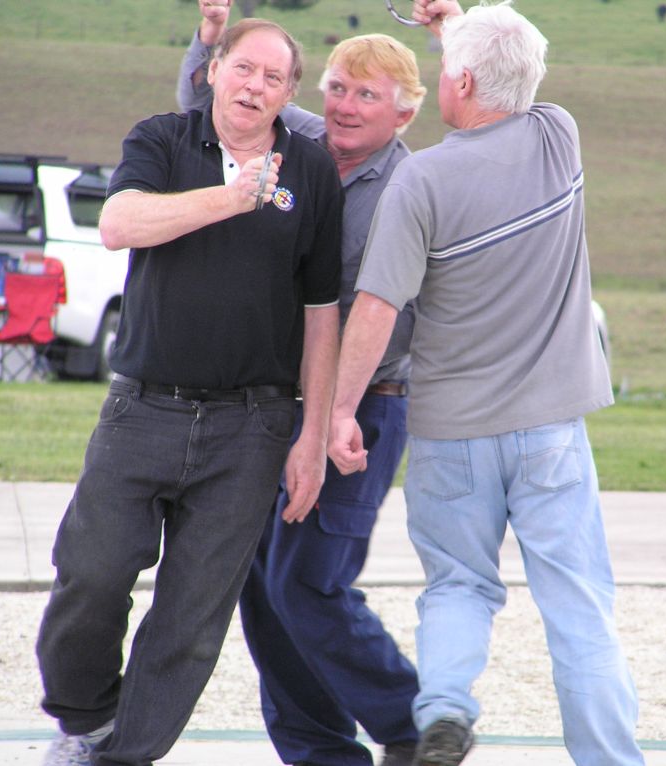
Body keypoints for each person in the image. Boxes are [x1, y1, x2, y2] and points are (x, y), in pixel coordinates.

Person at [327, 2, 646, 765]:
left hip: (452, 435)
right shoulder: (558, 137)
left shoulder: (421, 180)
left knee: (458, 587)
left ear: (462, 81)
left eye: (447, 68)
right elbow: (498, 79)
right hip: (551, 433)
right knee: (579, 606)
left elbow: (376, 308)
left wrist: (339, 410)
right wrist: (458, 27)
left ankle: (444, 710)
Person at [35, 18, 344, 766]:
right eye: (244, 69)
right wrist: (229, 198)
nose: (255, 87)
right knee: (91, 574)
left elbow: (321, 311)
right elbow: (118, 224)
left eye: (274, 78)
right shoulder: (162, 139)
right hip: (142, 408)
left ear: (290, 95)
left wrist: (311, 436)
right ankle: (85, 719)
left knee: (191, 622)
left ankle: (124, 756)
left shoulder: (311, 170)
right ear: (213, 70)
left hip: (253, 427)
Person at [177, 3, 427, 765]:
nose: (346, 106)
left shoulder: (413, 186)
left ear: (404, 112)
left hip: (366, 408)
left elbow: (389, 319)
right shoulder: (300, 138)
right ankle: (320, 753)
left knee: (309, 583)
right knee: (262, 589)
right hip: (274, 403)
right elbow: (208, 106)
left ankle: (417, 729)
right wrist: (210, 39)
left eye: (368, 95)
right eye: (339, 88)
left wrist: (337, 412)